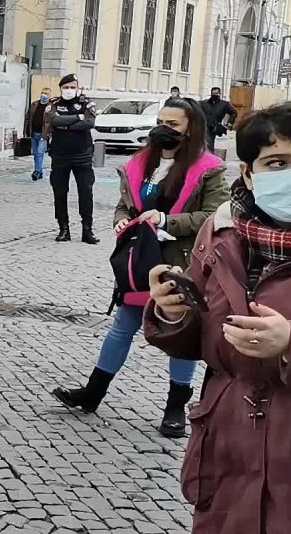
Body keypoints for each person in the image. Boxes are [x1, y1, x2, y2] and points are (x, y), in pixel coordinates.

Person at [143, 102, 291, 533]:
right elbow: (201, 337)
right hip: (227, 451)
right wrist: (171, 313)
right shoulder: (221, 233)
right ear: (248, 173)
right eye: (277, 163)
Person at [52, 98, 226, 436]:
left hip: (181, 263)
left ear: (191, 129)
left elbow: (214, 215)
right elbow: (124, 206)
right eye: (161, 121)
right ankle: (93, 393)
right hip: (139, 262)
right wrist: (121, 222)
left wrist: (166, 220)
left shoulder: (208, 168)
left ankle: (176, 407)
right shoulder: (141, 163)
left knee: (182, 334)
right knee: (123, 325)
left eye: (173, 124)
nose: (164, 128)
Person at [44, 74, 99, 244]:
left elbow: (89, 123)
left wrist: (65, 125)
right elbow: (53, 119)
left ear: (78, 87)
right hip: (60, 155)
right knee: (60, 193)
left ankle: (87, 230)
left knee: (86, 192)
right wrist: (77, 118)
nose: (69, 90)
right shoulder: (54, 104)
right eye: (66, 87)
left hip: (82, 154)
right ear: (61, 88)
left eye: (72, 87)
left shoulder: (85, 103)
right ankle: (63, 229)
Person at [199, 87, 235, 152]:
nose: (214, 95)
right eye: (213, 94)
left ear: (220, 94)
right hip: (205, 128)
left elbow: (233, 113)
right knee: (207, 145)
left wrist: (229, 123)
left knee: (216, 147)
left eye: (216, 93)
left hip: (217, 128)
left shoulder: (224, 104)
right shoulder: (204, 103)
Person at [26, 88, 51, 181]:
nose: (44, 95)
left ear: (49, 96)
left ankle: (36, 171)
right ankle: (39, 172)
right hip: (34, 132)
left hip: (43, 134)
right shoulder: (34, 104)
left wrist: (49, 133)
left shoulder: (50, 106)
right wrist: (27, 131)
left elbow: (52, 121)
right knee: (36, 153)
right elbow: (28, 118)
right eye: (42, 93)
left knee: (40, 152)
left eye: (46, 94)